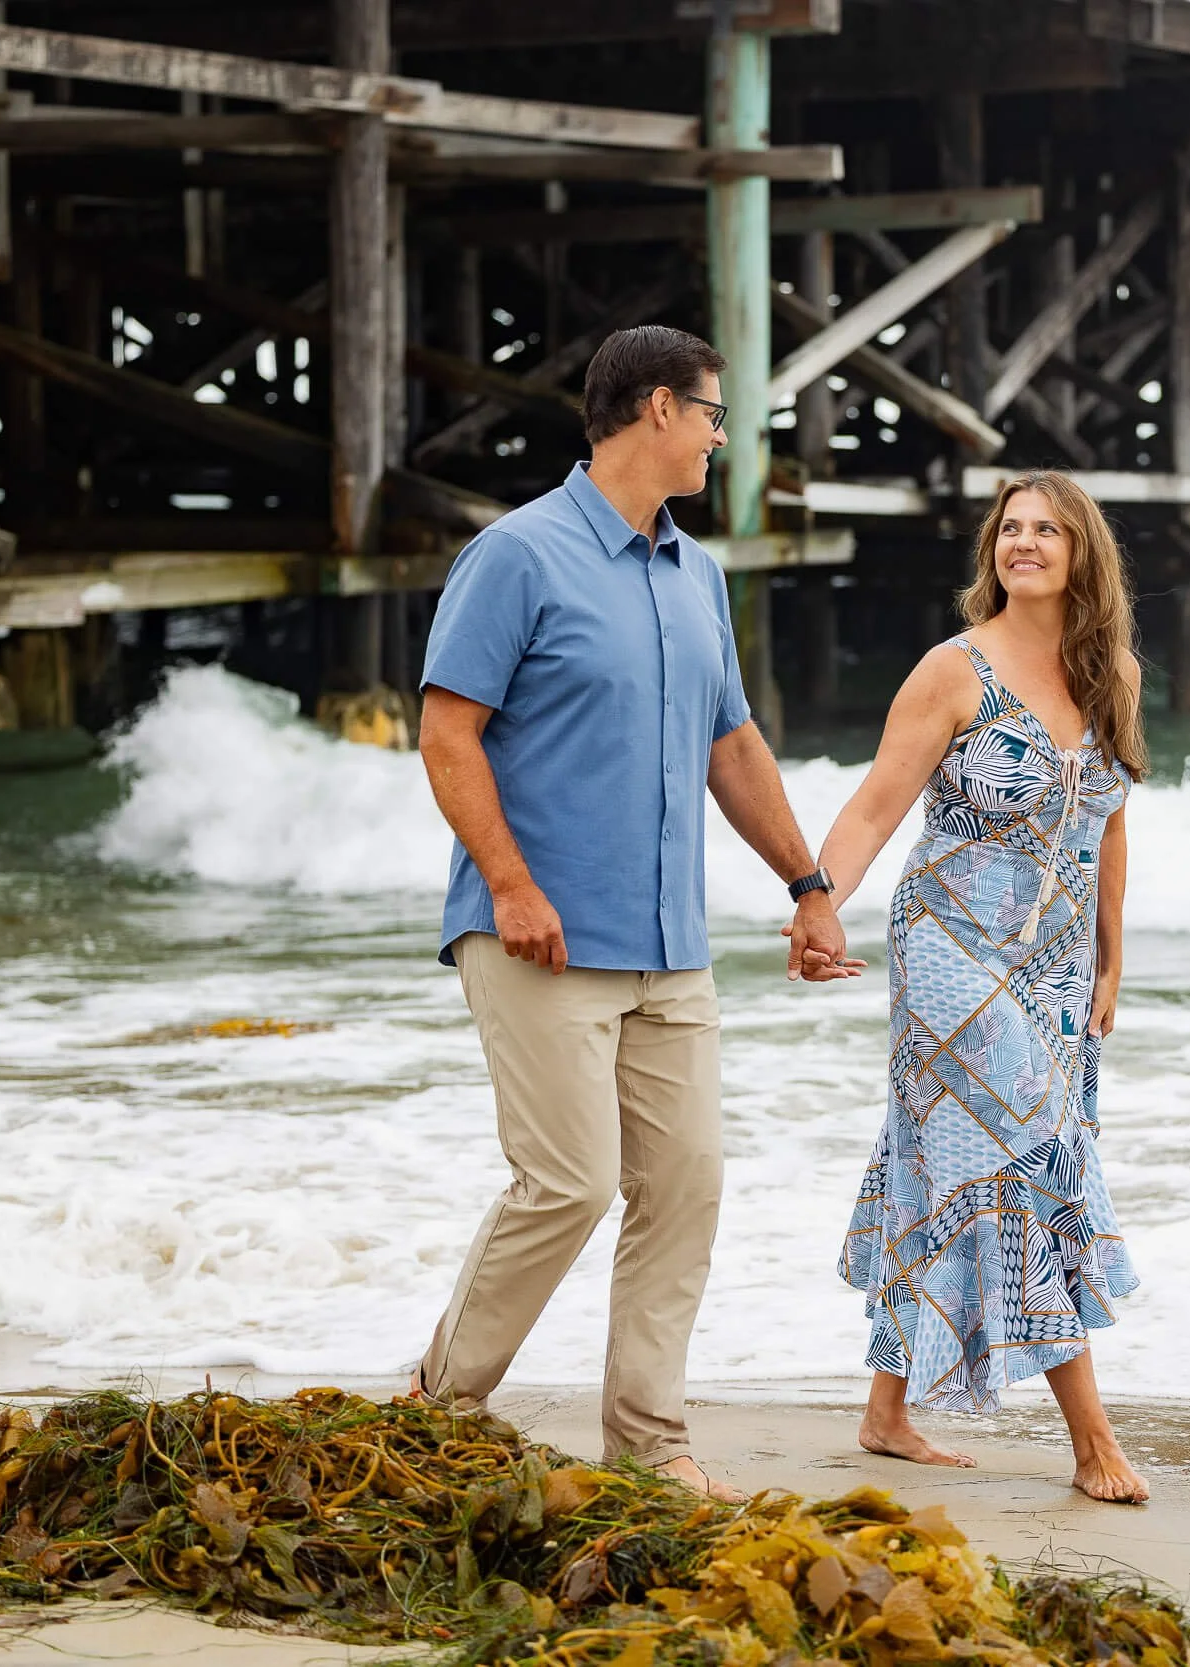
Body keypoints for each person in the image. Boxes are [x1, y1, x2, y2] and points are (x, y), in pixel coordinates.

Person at [408, 325, 850, 1501]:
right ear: (657, 409)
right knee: (568, 1182)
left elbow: (732, 744)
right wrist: (506, 879)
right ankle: (436, 1403)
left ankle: (650, 1444)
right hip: (537, 933)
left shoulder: (696, 574)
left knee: (686, 1185)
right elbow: (446, 732)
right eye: (712, 413)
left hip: (671, 947)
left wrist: (805, 886)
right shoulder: (517, 556)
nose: (720, 435)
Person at [803, 470, 1150, 1504]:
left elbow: (1110, 820)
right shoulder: (953, 671)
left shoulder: (1112, 673)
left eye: (1047, 529)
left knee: (945, 1157)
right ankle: (1090, 1439)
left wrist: (1109, 959)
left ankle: (885, 1409)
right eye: (1011, 529)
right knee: (1028, 1161)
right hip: (949, 948)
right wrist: (819, 901)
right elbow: (873, 807)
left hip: (1050, 965)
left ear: (1082, 551)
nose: (1025, 543)